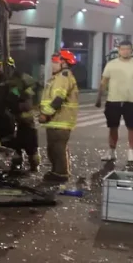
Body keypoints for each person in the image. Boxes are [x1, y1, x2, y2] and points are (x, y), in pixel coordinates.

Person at [95, 40, 133, 165]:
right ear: (119, 50)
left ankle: (131, 152)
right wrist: (99, 97)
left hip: (132, 100)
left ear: (131, 50)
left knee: (132, 127)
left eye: (128, 49)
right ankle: (111, 151)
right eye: (123, 49)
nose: (125, 51)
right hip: (113, 100)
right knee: (113, 127)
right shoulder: (111, 64)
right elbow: (103, 82)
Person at [39, 50, 79, 183]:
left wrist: (46, 114)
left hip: (60, 120)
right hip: (56, 120)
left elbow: (58, 98)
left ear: (64, 63)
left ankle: (61, 174)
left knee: (58, 148)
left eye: (55, 61)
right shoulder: (59, 77)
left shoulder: (63, 76)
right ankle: (56, 171)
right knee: (54, 148)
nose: (53, 64)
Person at [4, 57, 40, 172]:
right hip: (12, 115)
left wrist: (23, 95)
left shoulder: (23, 77)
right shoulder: (3, 78)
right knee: (14, 142)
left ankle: (34, 164)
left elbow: (36, 87)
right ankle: (16, 162)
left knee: (30, 141)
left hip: (25, 115)